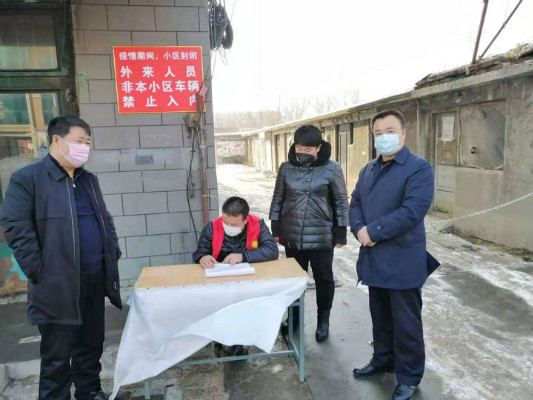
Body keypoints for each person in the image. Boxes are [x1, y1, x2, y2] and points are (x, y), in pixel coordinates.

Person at [0, 116, 122, 400]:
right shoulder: (28, 179)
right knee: (57, 355)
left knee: (91, 345)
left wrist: (112, 250)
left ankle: (90, 392)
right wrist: (38, 270)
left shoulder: (88, 180)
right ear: (57, 140)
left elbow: (105, 219)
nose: (85, 148)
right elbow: (16, 227)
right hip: (56, 285)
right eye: (80, 141)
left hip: (93, 280)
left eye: (88, 143)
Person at [350, 110, 440, 400]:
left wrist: (373, 231)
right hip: (374, 258)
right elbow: (355, 201)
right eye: (378, 133)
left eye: (390, 131)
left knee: (406, 323)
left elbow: (412, 210)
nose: (384, 137)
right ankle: (383, 360)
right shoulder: (368, 169)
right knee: (380, 317)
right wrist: (359, 229)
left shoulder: (418, 168)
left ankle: (409, 376)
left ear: (403, 134)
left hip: (402, 259)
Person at [269, 124, 349, 342]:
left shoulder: (332, 168)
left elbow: (341, 201)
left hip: (322, 235)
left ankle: (323, 321)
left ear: (318, 148)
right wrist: (276, 226)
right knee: (295, 279)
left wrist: (341, 231)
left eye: (308, 149)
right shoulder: (286, 168)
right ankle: (294, 319)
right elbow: (278, 198)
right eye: (299, 148)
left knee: (324, 278)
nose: (303, 152)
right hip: (292, 233)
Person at [193, 196, 279, 356]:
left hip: (248, 280)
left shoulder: (257, 225)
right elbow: (200, 252)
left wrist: (242, 256)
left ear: (245, 220)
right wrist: (202, 257)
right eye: (225, 222)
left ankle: (242, 340)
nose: (228, 227)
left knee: (246, 307)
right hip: (220, 280)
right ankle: (221, 337)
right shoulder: (212, 226)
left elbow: (272, 250)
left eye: (234, 225)